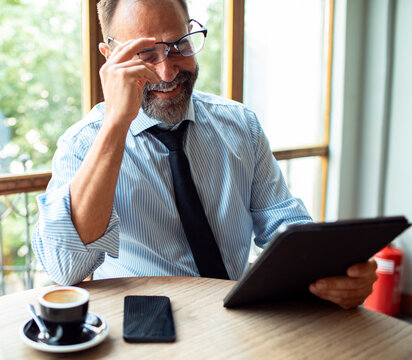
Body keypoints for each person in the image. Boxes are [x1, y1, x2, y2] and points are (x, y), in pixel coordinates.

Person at [32, 0, 377, 309]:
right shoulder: (82, 144)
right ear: (110, 60)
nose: (167, 72)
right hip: (144, 332)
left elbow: (282, 224)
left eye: (179, 45)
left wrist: (332, 271)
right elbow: (66, 267)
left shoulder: (241, 125)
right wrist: (116, 125)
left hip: (239, 320)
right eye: (146, 54)